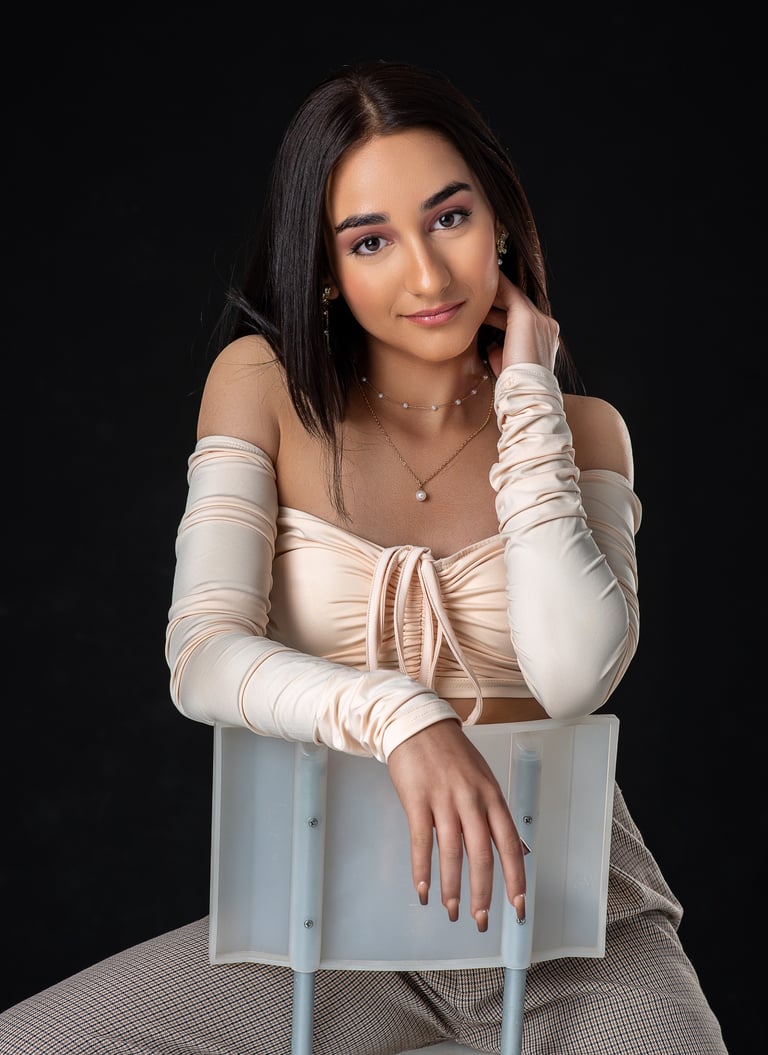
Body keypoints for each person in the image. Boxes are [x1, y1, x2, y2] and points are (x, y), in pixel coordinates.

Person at [1, 59, 728, 1055]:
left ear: (502, 223)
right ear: (327, 269)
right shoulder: (257, 386)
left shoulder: (584, 430)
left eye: (450, 218)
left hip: (573, 926)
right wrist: (400, 714)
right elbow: (203, 651)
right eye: (371, 240)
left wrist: (528, 401)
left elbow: (570, 678)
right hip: (323, 924)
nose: (426, 275)